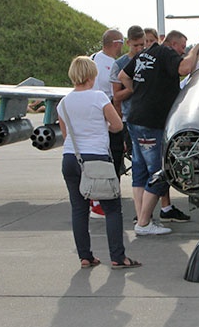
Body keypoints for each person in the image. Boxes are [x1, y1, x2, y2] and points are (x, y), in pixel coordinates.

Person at [57, 56, 140, 269]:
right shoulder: (99, 98)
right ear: (91, 76)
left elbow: (66, 134)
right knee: (112, 209)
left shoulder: (63, 102)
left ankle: (85, 256)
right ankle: (118, 256)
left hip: (71, 158)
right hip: (96, 158)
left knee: (79, 208)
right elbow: (116, 125)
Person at [119, 30, 199, 235]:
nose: (183, 51)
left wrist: (139, 91)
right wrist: (196, 50)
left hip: (135, 119)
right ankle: (144, 223)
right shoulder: (166, 53)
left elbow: (122, 76)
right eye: (182, 47)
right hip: (151, 123)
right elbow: (185, 68)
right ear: (173, 44)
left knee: (139, 172)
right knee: (159, 173)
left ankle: (141, 219)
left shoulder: (143, 54)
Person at [110, 26, 147, 216]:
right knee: (134, 165)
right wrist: (134, 88)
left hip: (148, 120)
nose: (140, 48)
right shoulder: (120, 64)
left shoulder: (149, 60)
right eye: (136, 45)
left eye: (143, 44)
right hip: (128, 120)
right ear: (128, 43)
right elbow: (116, 97)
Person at [89, 29, 125, 220]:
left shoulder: (92, 58)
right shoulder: (114, 65)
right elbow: (115, 95)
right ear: (116, 43)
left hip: (91, 116)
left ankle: (93, 198)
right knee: (109, 157)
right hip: (106, 113)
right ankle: (100, 202)